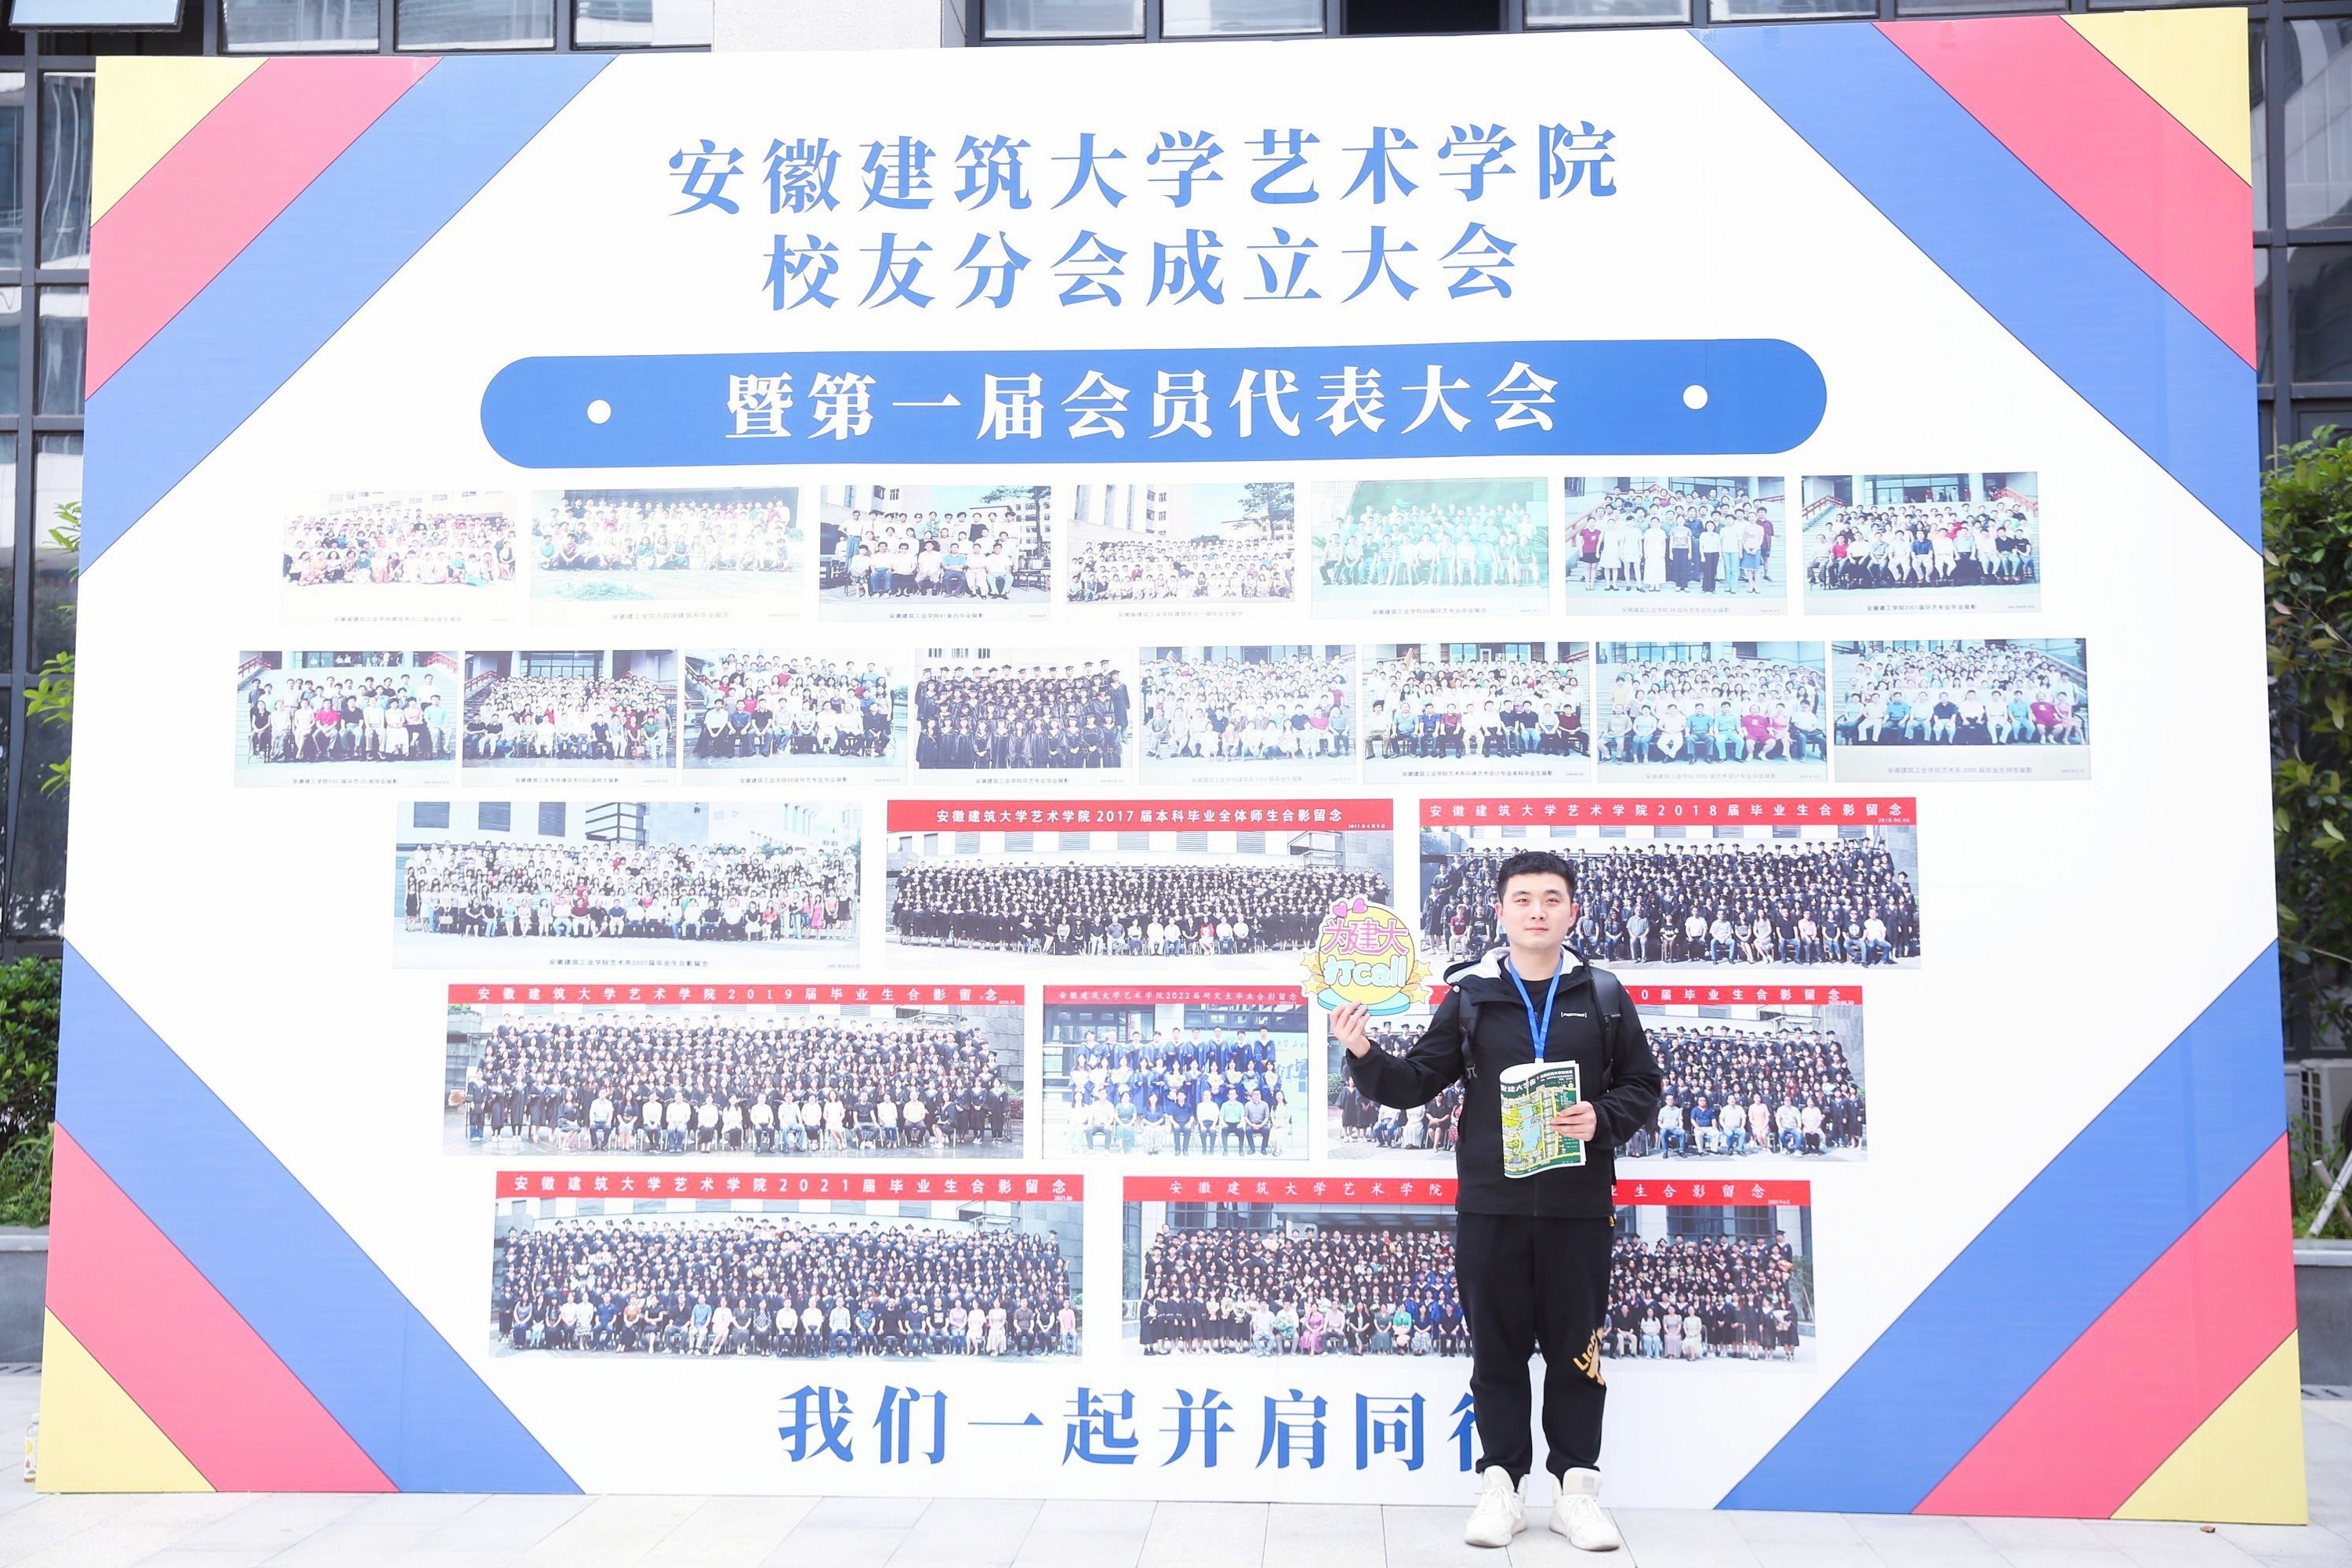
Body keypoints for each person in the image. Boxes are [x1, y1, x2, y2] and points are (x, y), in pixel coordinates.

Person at [1333, 849, 1661, 1552]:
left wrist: (1602, 1117)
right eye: (1523, 899)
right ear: (1500, 911)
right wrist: (1363, 1054)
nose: (1537, 911)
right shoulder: (1472, 997)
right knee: (1497, 1354)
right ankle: (1501, 1489)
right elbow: (1416, 1081)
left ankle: (1576, 1493)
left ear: (1573, 912)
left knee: (1577, 1354)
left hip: (1577, 1205)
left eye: (1551, 899)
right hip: (1491, 1207)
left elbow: (1643, 1085)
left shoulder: (1603, 995)